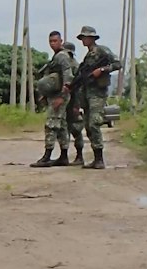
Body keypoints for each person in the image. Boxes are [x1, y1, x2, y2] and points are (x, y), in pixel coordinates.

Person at [71, 26, 121, 169]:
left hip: (98, 93)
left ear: (92, 38)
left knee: (94, 123)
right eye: (82, 38)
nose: (83, 40)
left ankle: (99, 159)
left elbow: (118, 64)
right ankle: (95, 158)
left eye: (85, 37)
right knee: (88, 126)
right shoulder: (88, 57)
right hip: (87, 93)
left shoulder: (102, 51)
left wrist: (103, 69)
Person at [30, 31, 75, 167]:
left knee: (51, 124)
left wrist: (62, 96)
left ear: (61, 41)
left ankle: (47, 156)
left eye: (55, 41)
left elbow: (68, 75)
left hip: (60, 95)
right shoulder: (56, 57)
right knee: (61, 126)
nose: (52, 43)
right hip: (55, 94)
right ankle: (64, 156)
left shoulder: (62, 56)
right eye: (51, 41)